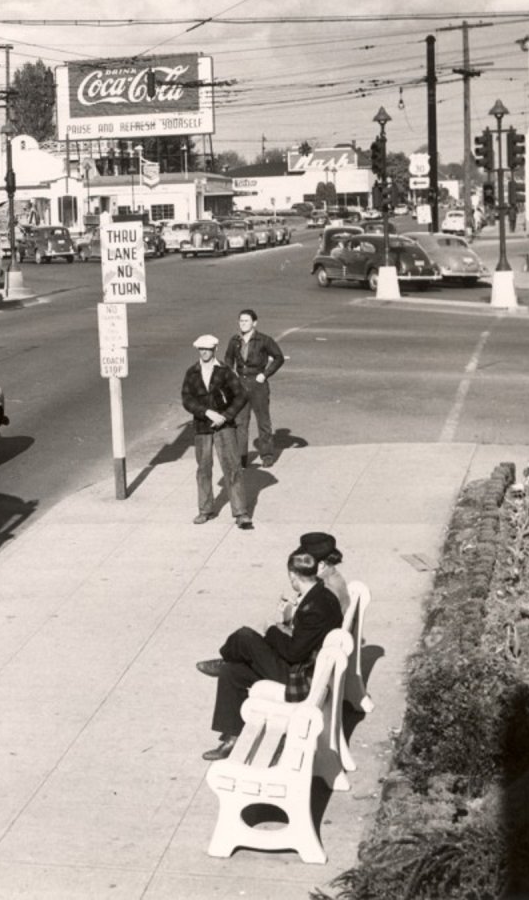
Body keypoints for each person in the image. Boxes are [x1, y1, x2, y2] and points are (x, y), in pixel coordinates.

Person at [197, 539, 345, 760]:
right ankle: (232, 738)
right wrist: (286, 623)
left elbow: (294, 653)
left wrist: (273, 630)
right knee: (232, 672)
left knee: (245, 636)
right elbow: (303, 642)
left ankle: (224, 659)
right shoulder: (320, 595)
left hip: (298, 677)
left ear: (293, 577)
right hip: (306, 668)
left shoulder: (314, 608)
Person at [181, 334, 250, 528]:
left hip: (225, 427)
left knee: (233, 468)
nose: (204, 352)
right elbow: (187, 399)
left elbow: (241, 395)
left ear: (215, 350)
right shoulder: (192, 372)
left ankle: (241, 512)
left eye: (208, 349)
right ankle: (205, 510)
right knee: (203, 469)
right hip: (203, 427)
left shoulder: (225, 371)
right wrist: (206, 412)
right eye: (201, 349)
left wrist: (226, 416)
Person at [224, 309, 285, 467]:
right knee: (240, 422)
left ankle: (267, 455)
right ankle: (241, 458)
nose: (243, 324)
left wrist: (265, 374)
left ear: (254, 323)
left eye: (246, 321)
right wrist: (231, 374)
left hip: (258, 384)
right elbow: (228, 358)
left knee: (263, 421)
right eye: (241, 321)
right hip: (240, 384)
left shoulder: (263, 340)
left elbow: (279, 357)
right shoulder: (235, 340)